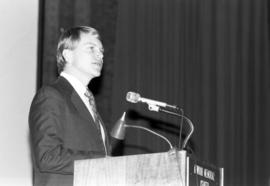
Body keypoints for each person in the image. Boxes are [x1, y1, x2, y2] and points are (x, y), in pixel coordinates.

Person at [29, 26, 111, 186]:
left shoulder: (88, 102)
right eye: (91, 48)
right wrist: (102, 160)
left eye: (101, 51)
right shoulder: (51, 96)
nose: (100, 55)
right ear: (68, 55)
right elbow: (47, 156)